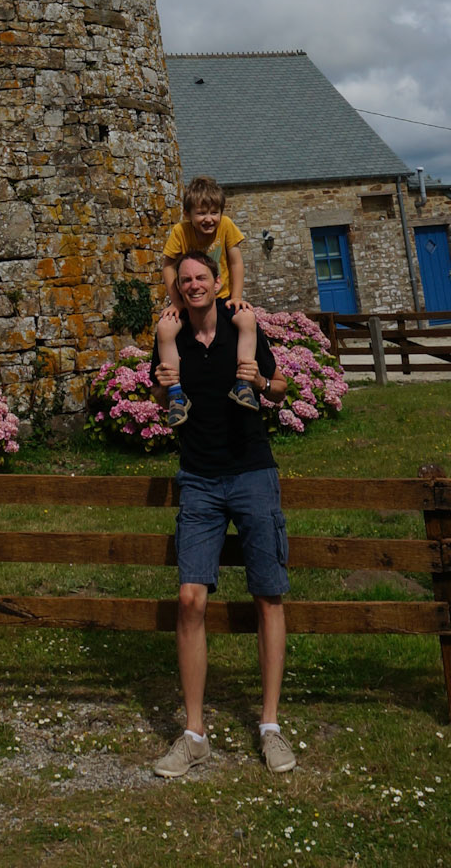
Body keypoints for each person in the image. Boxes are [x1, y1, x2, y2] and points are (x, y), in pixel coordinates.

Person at [151, 250, 297, 779]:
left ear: (217, 283)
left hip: (253, 472)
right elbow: (159, 393)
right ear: (178, 288)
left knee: (267, 594)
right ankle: (194, 734)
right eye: (185, 279)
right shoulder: (171, 335)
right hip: (199, 478)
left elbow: (281, 389)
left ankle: (270, 727)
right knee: (190, 599)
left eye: (201, 278)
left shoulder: (244, 328)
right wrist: (160, 381)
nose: (193, 286)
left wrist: (259, 382)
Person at [156, 177, 259, 428]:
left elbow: (235, 262)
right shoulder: (181, 232)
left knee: (246, 318)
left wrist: (236, 297)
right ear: (188, 213)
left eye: (214, 212)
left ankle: (243, 384)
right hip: (191, 300)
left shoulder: (226, 226)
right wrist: (177, 302)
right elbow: (169, 265)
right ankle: (176, 396)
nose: (209, 219)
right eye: (201, 213)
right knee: (165, 328)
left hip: (220, 296)